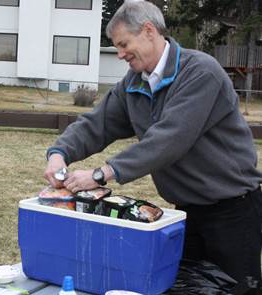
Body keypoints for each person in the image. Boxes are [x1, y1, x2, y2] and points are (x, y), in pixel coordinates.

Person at [44, 1, 262, 294]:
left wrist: (100, 174)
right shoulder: (134, 83)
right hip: (186, 211)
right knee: (186, 288)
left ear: (148, 31)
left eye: (123, 44)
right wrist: (59, 153)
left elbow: (168, 139)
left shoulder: (200, 72)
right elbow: (97, 124)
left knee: (237, 290)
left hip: (233, 211)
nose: (119, 53)